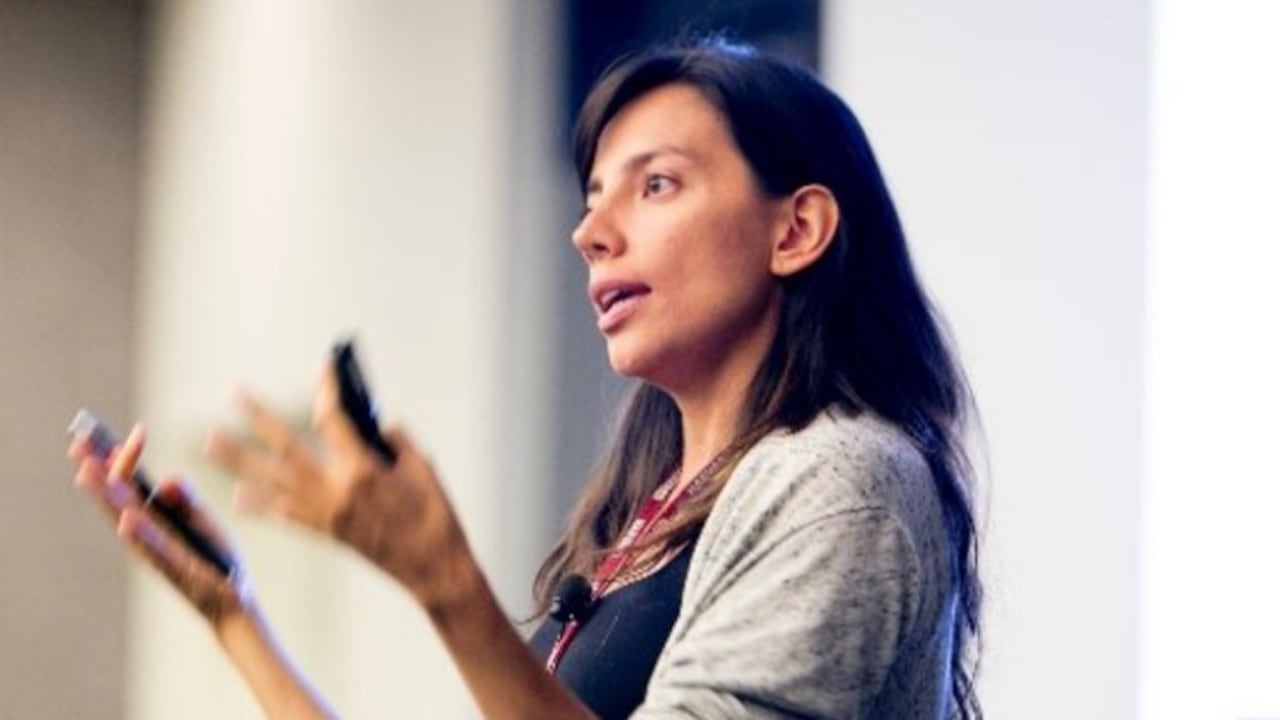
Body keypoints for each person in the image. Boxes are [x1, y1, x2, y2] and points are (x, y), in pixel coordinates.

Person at [68, 38, 981, 719]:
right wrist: (233, 617)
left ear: (797, 231)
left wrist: (447, 586)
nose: (592, 233)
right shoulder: (648, 519)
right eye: (591, 202)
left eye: (654, 186)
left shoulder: (849, 481)